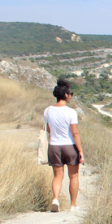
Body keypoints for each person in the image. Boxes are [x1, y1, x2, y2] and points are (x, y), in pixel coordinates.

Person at [44, 79, 84, 212]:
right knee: (73, 176)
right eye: (70, 94)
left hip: (54, 146)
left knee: (57, 176)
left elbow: (48, 129)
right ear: (66, 95)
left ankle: (55, 199)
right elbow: (75, 133)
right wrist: (80, 151)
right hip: (69, 146)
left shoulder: (48, 111)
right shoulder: (71, 112)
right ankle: (73, 205)